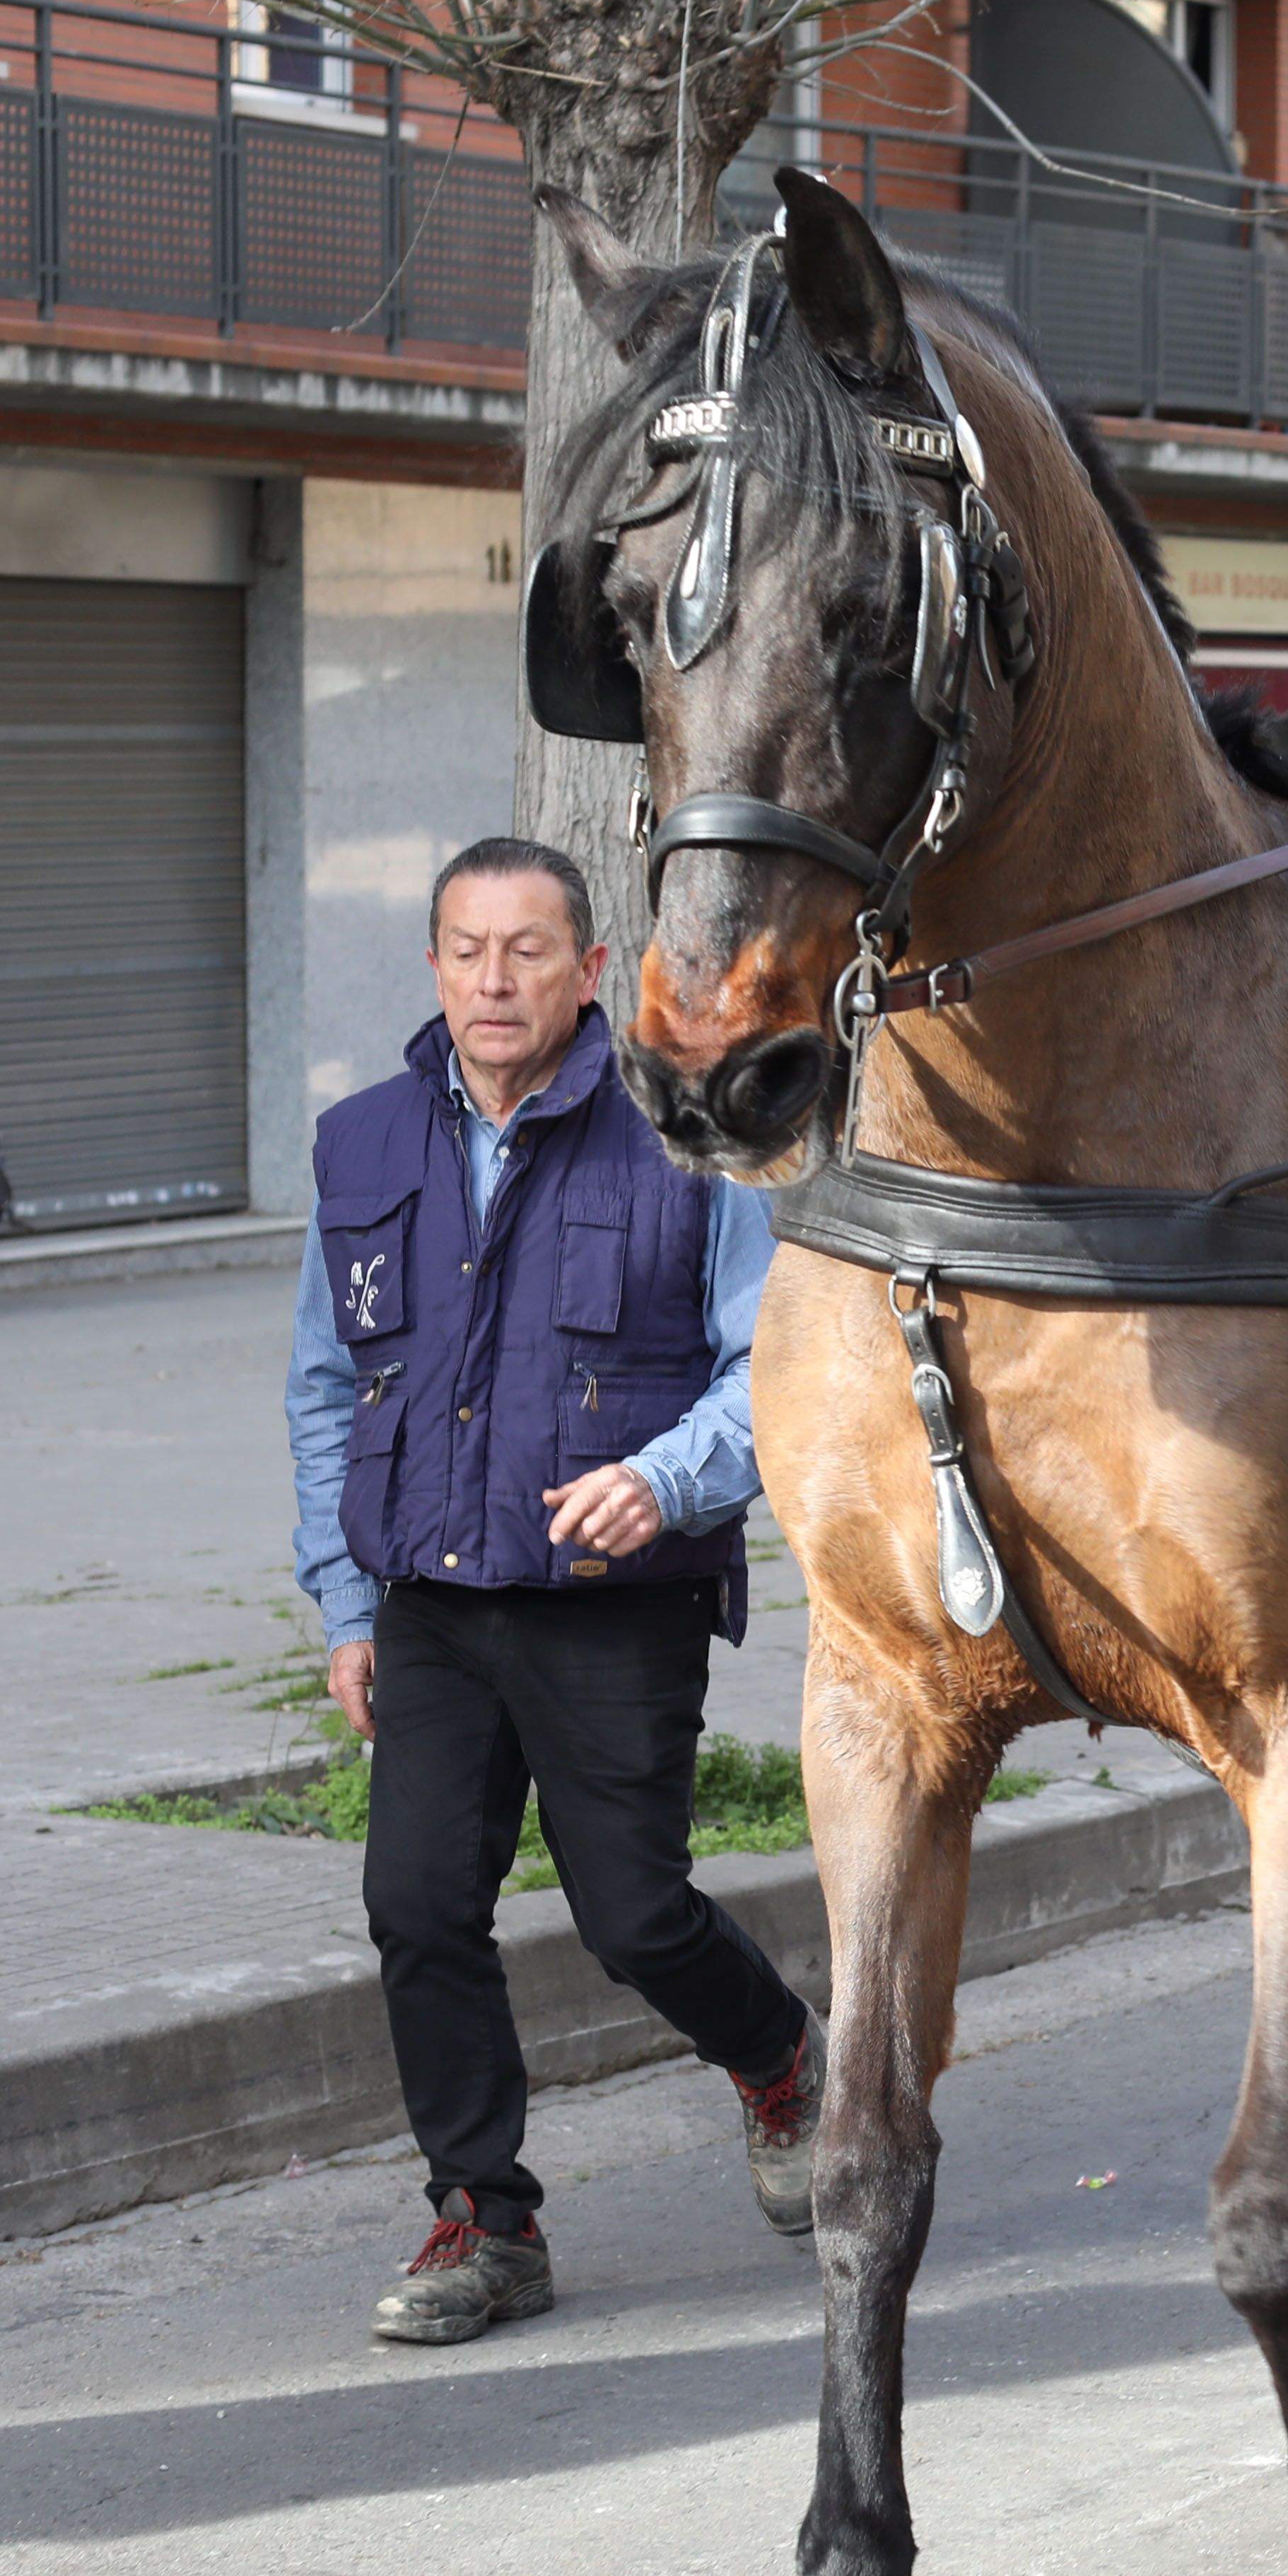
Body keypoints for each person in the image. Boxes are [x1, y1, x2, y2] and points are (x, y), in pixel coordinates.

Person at [289, 837, 816, 2346]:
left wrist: (668, 1478)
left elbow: (766, 1362)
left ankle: (779, 2056)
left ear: (593, 972)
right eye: (468, 947)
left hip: (615, 1594)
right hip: (432, 1600)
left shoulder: (689, 1138)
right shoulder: (364, 1142)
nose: (496, 977)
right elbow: (327, 1384)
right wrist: (343, 1600)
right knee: (416, 1903)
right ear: (436, 967)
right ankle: (486, 2218)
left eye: (530, 949)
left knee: (637, 1914)